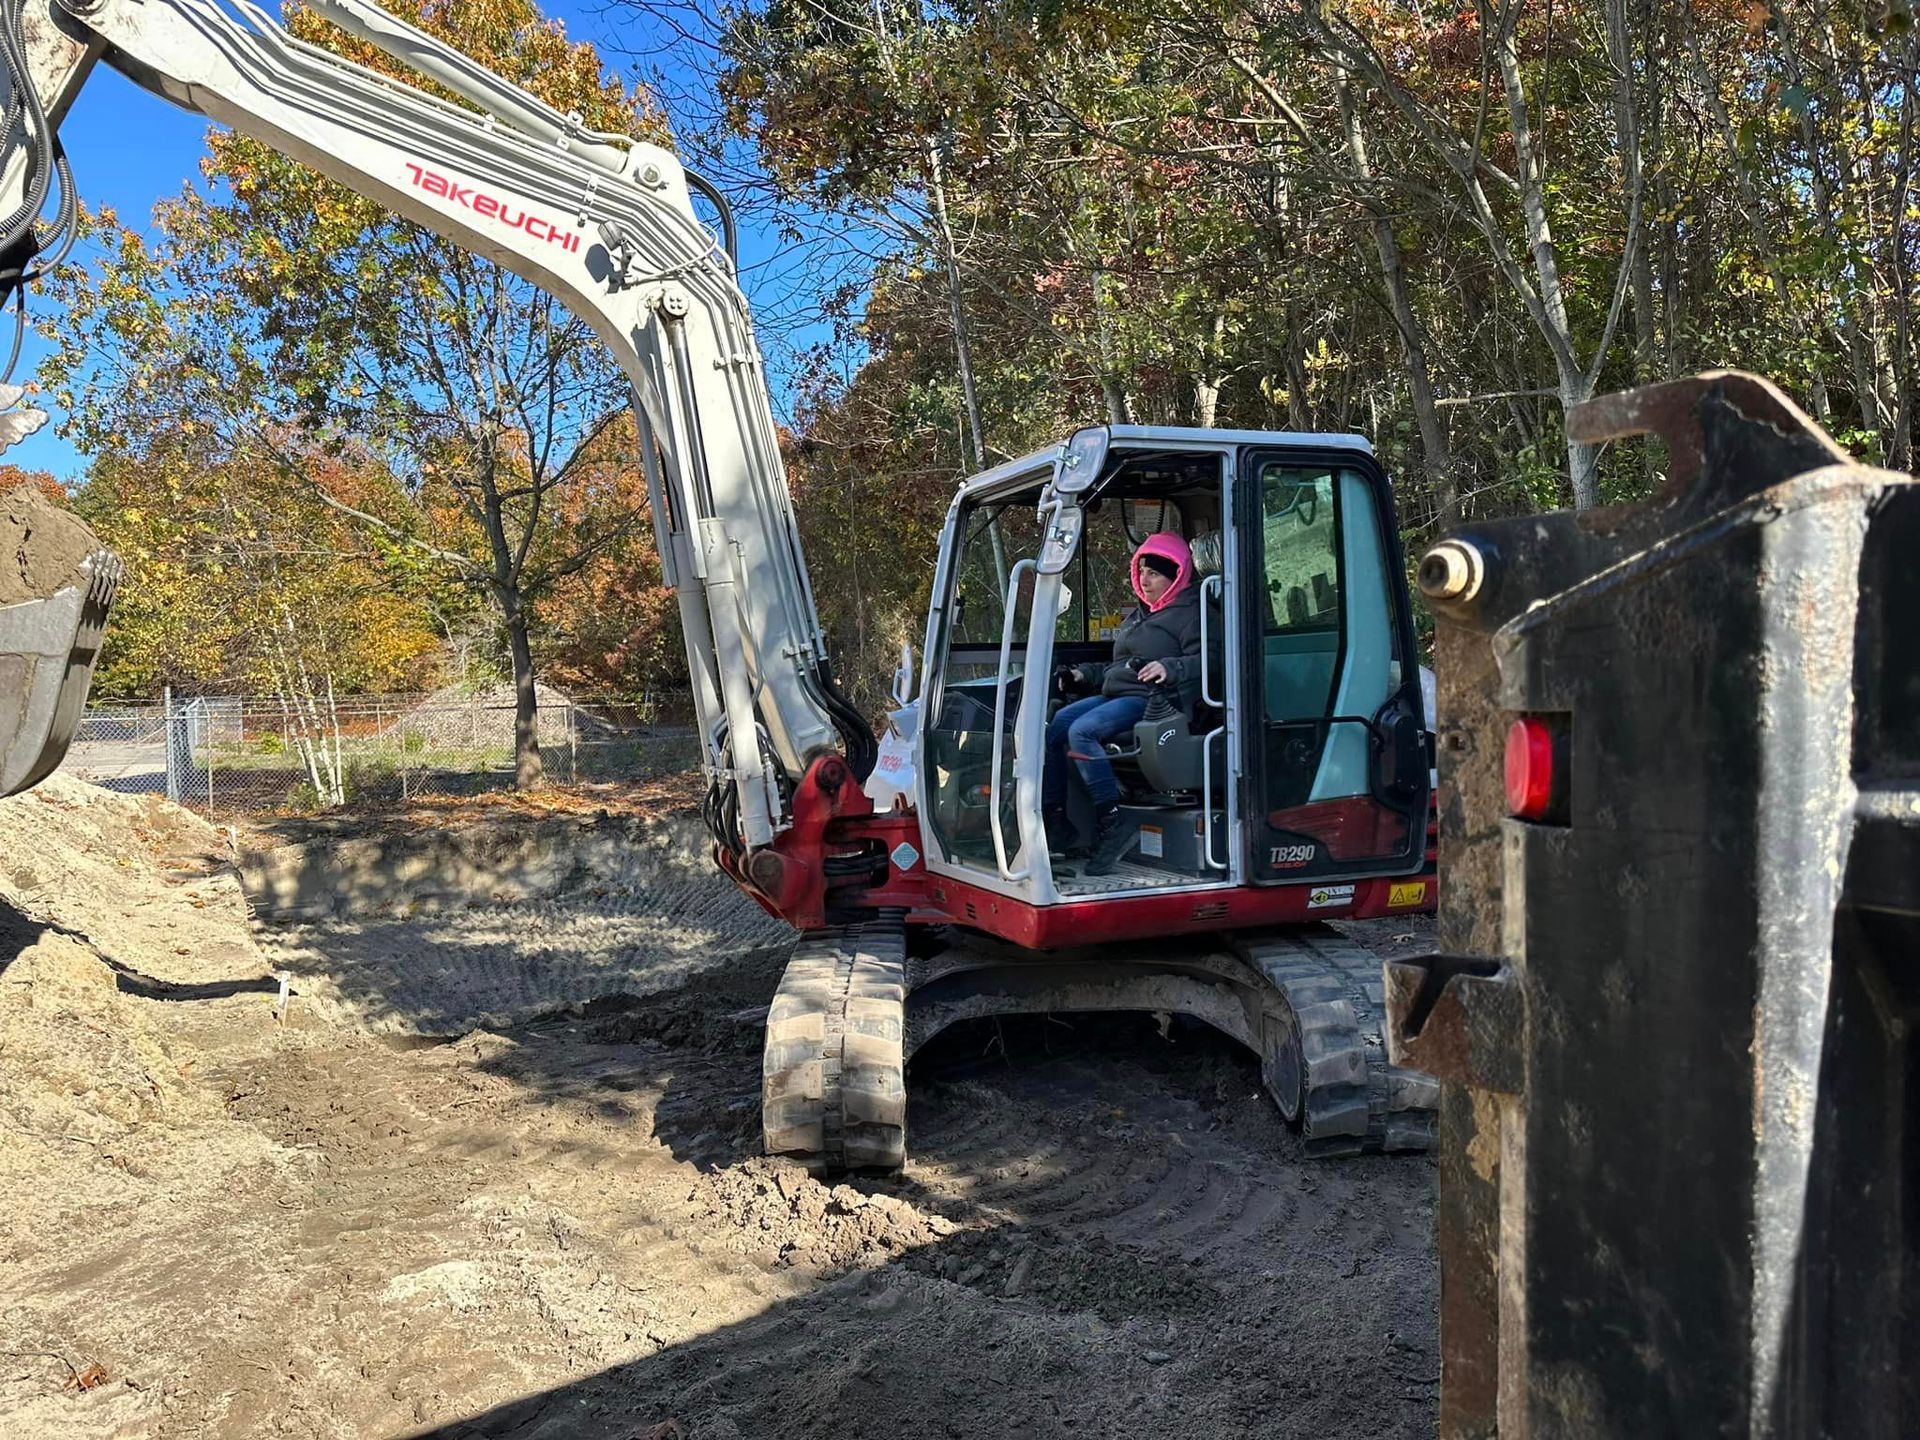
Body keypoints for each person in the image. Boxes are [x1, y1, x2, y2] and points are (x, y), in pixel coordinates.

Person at [1043, 530, 1206, 875]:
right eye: (1142, 571)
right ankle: (1056, 819)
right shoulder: (1140, 616)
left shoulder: (1193, 614)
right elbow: (1117, 667)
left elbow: (1210, 660)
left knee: (1083, 731)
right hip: (1117, 692)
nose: (1145, 581)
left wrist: (1169, 666)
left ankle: (1111, 821)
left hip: (1153, 699)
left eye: (1155, 574)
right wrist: (1082, 675)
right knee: (1056, 727)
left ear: (1176, 575)